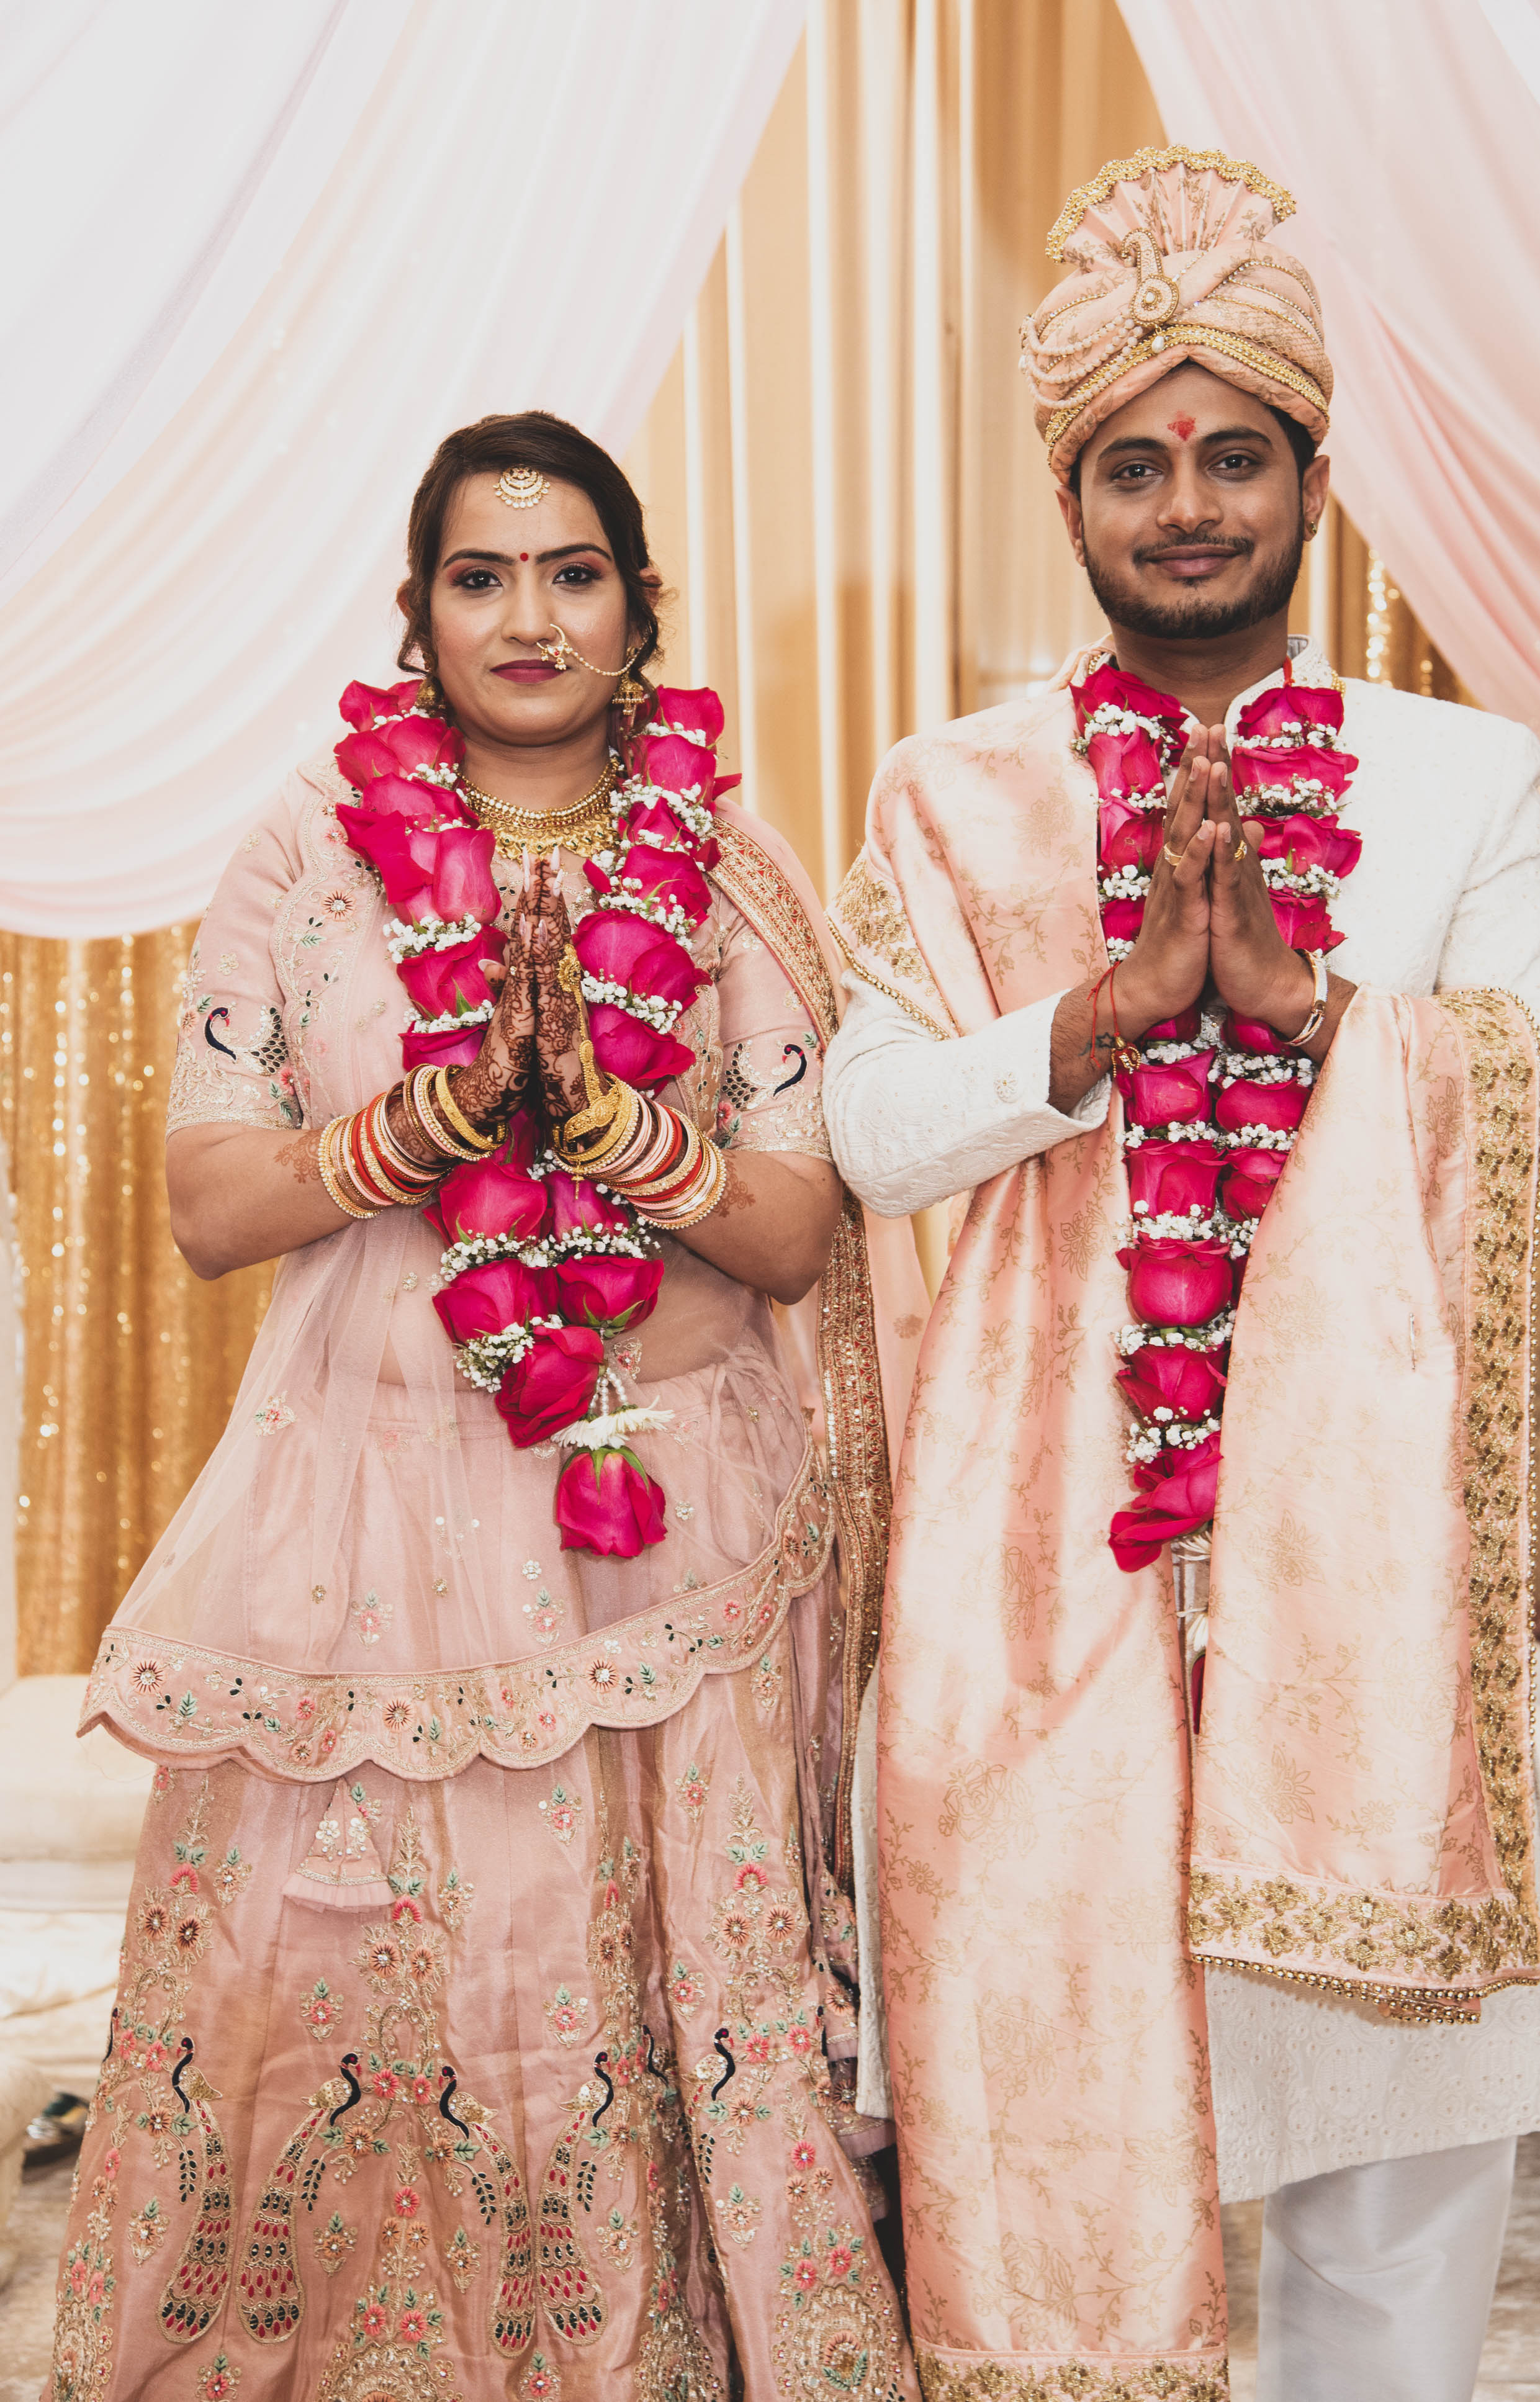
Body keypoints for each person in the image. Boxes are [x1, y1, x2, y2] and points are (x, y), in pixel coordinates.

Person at [45, 410, 925, 2401]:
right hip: (369, 1527)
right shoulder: (310, 848)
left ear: (639, 602)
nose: (529, 617)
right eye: (480, 575)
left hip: (669, 1531)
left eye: (572, 571)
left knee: (641, 1982)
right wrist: (418, 1129)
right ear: (418, 609)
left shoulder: (733, 866)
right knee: (362, 1980)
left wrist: (619, 1132)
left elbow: (797, 1235)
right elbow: (207, 1205)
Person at [823, 148, 1540, 2402]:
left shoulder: (1463, 780)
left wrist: (1316, 1018)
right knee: (1045, 2090)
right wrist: (1098, 1021)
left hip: (1362, 1551)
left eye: (1234, 457)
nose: (1188, 507)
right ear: (1069, 498)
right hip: (1047, 1549)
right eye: (1135, 464)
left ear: (1316, 485)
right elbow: (868, 1134)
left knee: (1385, 2137)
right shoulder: (950, 795)